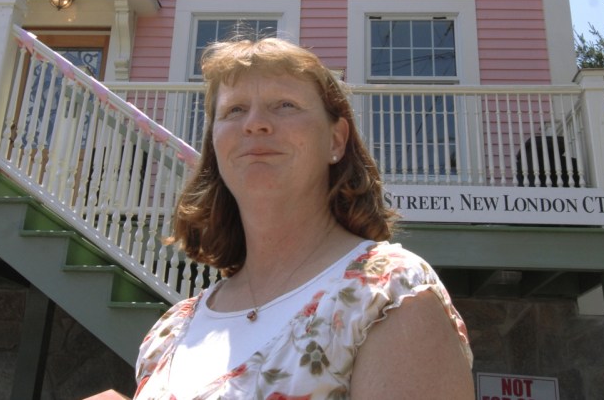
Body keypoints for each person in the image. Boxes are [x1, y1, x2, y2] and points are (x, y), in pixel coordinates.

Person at [90, 37, 473, 399]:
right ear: (215, 145)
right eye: (234, 110)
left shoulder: (388, 292)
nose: (255, 123)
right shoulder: (173, 330)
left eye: (285, 105)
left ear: (336, 140)